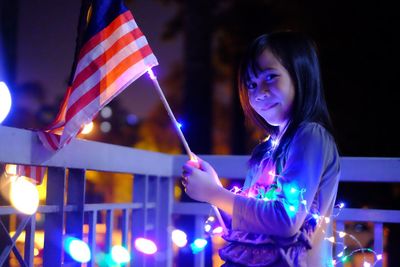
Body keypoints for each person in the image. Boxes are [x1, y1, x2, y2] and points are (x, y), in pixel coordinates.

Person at [182, 31, 340, 266]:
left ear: (301, 74)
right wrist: (214, 188)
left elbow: (285, 220)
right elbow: (255, 221)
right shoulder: (269, 148)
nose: (259, 93)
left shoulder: (310, 136)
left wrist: (214, 194)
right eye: (252, 84)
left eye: (270, 77)